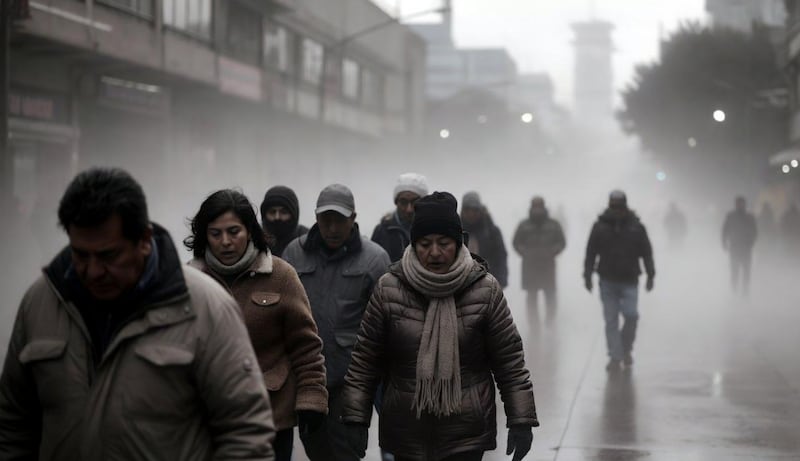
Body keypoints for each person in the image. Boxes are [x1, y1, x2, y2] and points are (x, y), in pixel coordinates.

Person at [0, 168, 276, 460]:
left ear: (144, 240)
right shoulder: (40, 303)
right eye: (80, 255)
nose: (93, 271)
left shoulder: (206, 308)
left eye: (109, 256)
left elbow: (245, 435)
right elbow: (13, 426)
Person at [341, 191, 539, 461]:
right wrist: (355, 417)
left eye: (444, 242)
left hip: (465, 433)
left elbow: (509, 360)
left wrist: (521, 419)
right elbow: (365, 360)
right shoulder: (389, 288)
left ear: (458, 243)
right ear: (413, 244)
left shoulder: (484, 289)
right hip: (405, 431)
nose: (434, 252)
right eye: (424, 243)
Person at [185, 189, 328, 461]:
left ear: (250, 231)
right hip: (207, 415)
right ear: (205, 236)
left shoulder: (280, 276)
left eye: (234, 231)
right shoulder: (189, 280)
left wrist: (312, 399)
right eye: (216, 234)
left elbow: (306, 345)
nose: (226, 242)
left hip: (270, 415)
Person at [282, 183, 390, 461]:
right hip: (307, 379)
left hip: (351, 383)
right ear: (316, 218)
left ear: (353, 219)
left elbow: (385, 326)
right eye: (325, 220)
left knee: (347, 453)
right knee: (316, 450)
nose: (332, 228)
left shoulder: (374, 260)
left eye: (339, 220)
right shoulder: (294, 254)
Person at [584, 190, 655, 372]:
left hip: (630, 280)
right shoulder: (600, 227)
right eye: (613, 205)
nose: (616, 209)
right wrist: (587, 275)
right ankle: (615, 357)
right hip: (607, 280)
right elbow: (591, 252)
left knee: (631, 316)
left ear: (625, 205)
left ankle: (626, 349)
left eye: (619, 205)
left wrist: (650, 274)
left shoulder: (636, 227)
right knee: (611, 320)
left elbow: (646, 251)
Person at [512, 196, 566, 324]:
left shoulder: (553, 224)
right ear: (531, 207)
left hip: (548, 266)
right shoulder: (524, 225)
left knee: (550, 295)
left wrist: (553, 251)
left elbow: (562, 242)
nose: (537, 210)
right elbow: (516, 242)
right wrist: (524, 252)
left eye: (539, 207)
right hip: (530, 267)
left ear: (543, 207)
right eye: (535, 207)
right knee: (531, 297)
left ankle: (550, 323)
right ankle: (534, 326)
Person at [371, 172, 429, 262]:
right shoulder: (382, 231)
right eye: (403, 202)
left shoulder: (433, 229)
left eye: (414, 202)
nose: (409, 209)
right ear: (396, 202)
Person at [460, 191, 508, 288]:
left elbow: (500, 255)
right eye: (467, 210)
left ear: (480, 210)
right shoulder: (456, 230)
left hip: (489, 282)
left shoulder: (491, 231)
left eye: (474, 210)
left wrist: (501, 279)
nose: (471, 214)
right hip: (462, 282)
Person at [722, 196, 757, 295]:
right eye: (738, 203)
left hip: (746, 248)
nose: (740, 205)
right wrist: (724, 243)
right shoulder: (731, 216)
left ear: (745, 204)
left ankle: (745, 290)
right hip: (735, 247)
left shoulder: (750, 217)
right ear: (735, 204)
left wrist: (751, 242)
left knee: (746, 271)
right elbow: (725, 230)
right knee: (734, 270)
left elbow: (755, 231)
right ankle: (734, 290)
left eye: (741, 203)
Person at [260, 185, 309, 257]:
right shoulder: (255, 240)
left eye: (284, 212)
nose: (277, 217)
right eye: (272, 212)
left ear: (294, 215)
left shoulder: (307, 241)